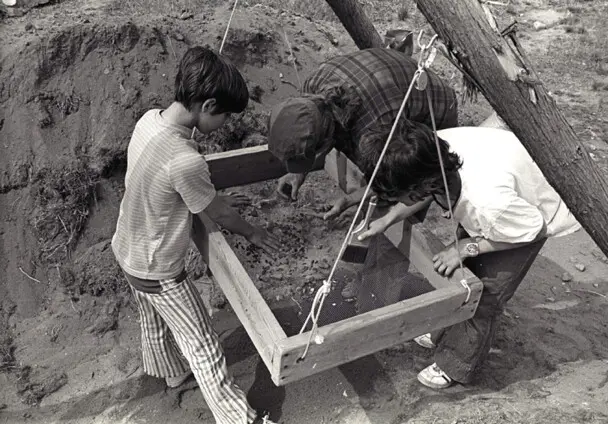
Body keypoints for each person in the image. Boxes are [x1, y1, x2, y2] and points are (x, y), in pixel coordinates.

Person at [111, 46, 279, 424]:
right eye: (224, 116)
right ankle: (240, 418)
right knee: (203, 345)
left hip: (127, 249)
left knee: (154, 321)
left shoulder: (149, 121)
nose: (224, 124)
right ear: (208, 105)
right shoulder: (185, 160)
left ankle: (170, 373)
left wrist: (205, 192)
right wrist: (252, 233)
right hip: (158, 268)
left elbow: (164, 181)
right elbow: (216, 212)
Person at [353, 121, 581, 389]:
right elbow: (423, 191)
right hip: (507, 188)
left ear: (422, 186)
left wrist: (467, 247)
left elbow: (531, 231)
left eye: (400, 196)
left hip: (534, 213)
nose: (401, 199)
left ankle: (456, 362)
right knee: (462, 269)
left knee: (485, 293)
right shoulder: (426, 151)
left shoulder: (487, 202)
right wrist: (389, 217)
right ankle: (446, 328)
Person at [267, 47, 459, 210]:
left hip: (434, 107)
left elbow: (393, 175)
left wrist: (351, 199)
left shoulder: (374, 127)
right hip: (389, 80)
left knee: (412, 183)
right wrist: (298, 172)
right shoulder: (313, 89)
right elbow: (312, 129)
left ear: (325, 137)